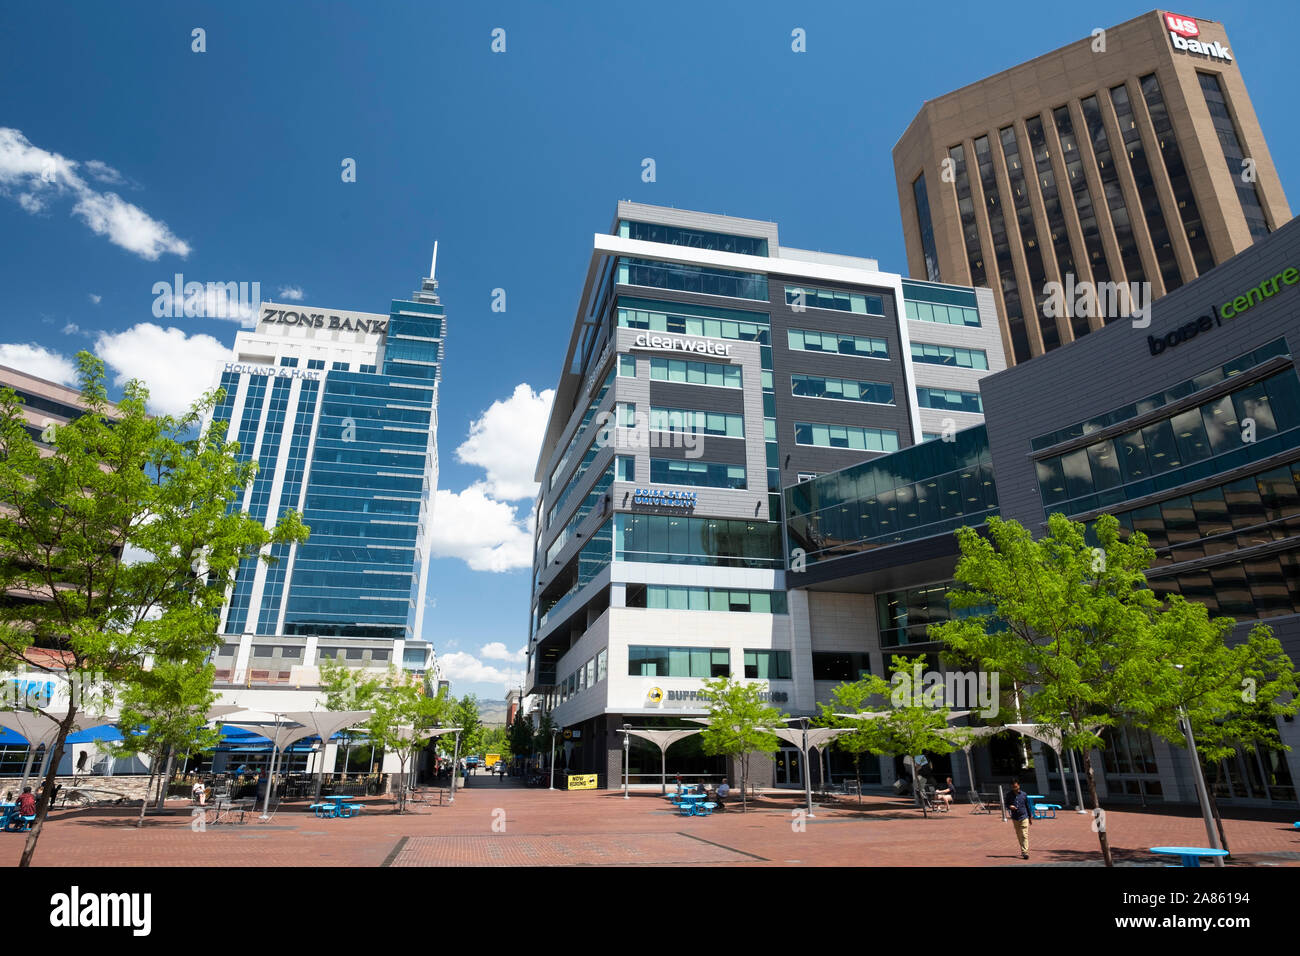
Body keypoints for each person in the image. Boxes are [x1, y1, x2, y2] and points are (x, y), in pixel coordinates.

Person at [1005, 778, 1033, 859]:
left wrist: (1030, 816)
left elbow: (1027, 806)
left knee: (1024, 834)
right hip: (1015, 818)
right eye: (1013, 787)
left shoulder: (1024, 794)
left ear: (1019, 786)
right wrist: (1010, 806)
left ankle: (1025, 852)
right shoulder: (1009, 795)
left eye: (1016, 787)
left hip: (1024, 816)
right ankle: (1023, 849)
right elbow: (1007, 804)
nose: (1015, 788)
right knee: (1019, 835)